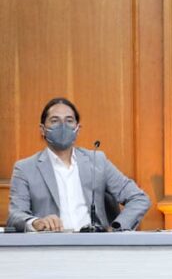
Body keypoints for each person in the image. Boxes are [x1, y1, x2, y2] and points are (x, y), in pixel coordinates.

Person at [7, 98, 151, 232]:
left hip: (96, 248)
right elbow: (15, 215)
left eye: (69, 120)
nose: (63, 126)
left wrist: (116, 229)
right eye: (55, 120)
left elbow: (138, 198)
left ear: (77, 129)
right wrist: (35, 222)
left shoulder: (97, 161)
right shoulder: (25, 168)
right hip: (51, 248)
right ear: (42, 129)